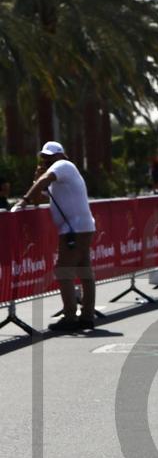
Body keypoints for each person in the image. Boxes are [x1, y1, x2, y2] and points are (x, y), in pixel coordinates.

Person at [15, 141, 97, 331]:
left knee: (63, 271)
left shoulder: (63, 165)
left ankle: (70, 317)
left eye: (49, 157)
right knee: (84, 271)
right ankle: (87, 317)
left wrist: (24, 200)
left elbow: (44, 182)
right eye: (44, 157)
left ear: (60, 155)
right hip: (81, 227)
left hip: (74, 229)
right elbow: (40, 198)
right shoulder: (57, 176)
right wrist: (36, 179)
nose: (46, 160)